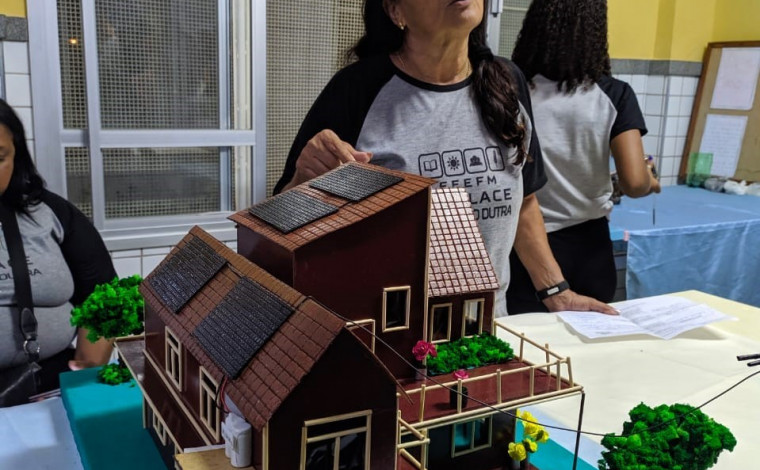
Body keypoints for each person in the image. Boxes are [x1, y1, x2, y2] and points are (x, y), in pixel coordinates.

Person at [274, 0, 616, 317]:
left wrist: (556, 291)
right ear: (396, 11)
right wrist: (304, 178)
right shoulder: (357, 89)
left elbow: (524, 203)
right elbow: (282, 220)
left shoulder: (506, 82)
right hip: (389, 329)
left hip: (486, 326)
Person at [507, 0, 660, 314]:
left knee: (524, 338)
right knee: (592, 334)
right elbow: (634, 183)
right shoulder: (613, 94)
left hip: (523, 246)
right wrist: (651, 180)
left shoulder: (510, 91)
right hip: (588, 247)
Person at [0, 99, 116, 399]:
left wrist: (86, 371)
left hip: (48, 385)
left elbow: (103, 295)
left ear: (16, 156)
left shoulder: (50, 212)